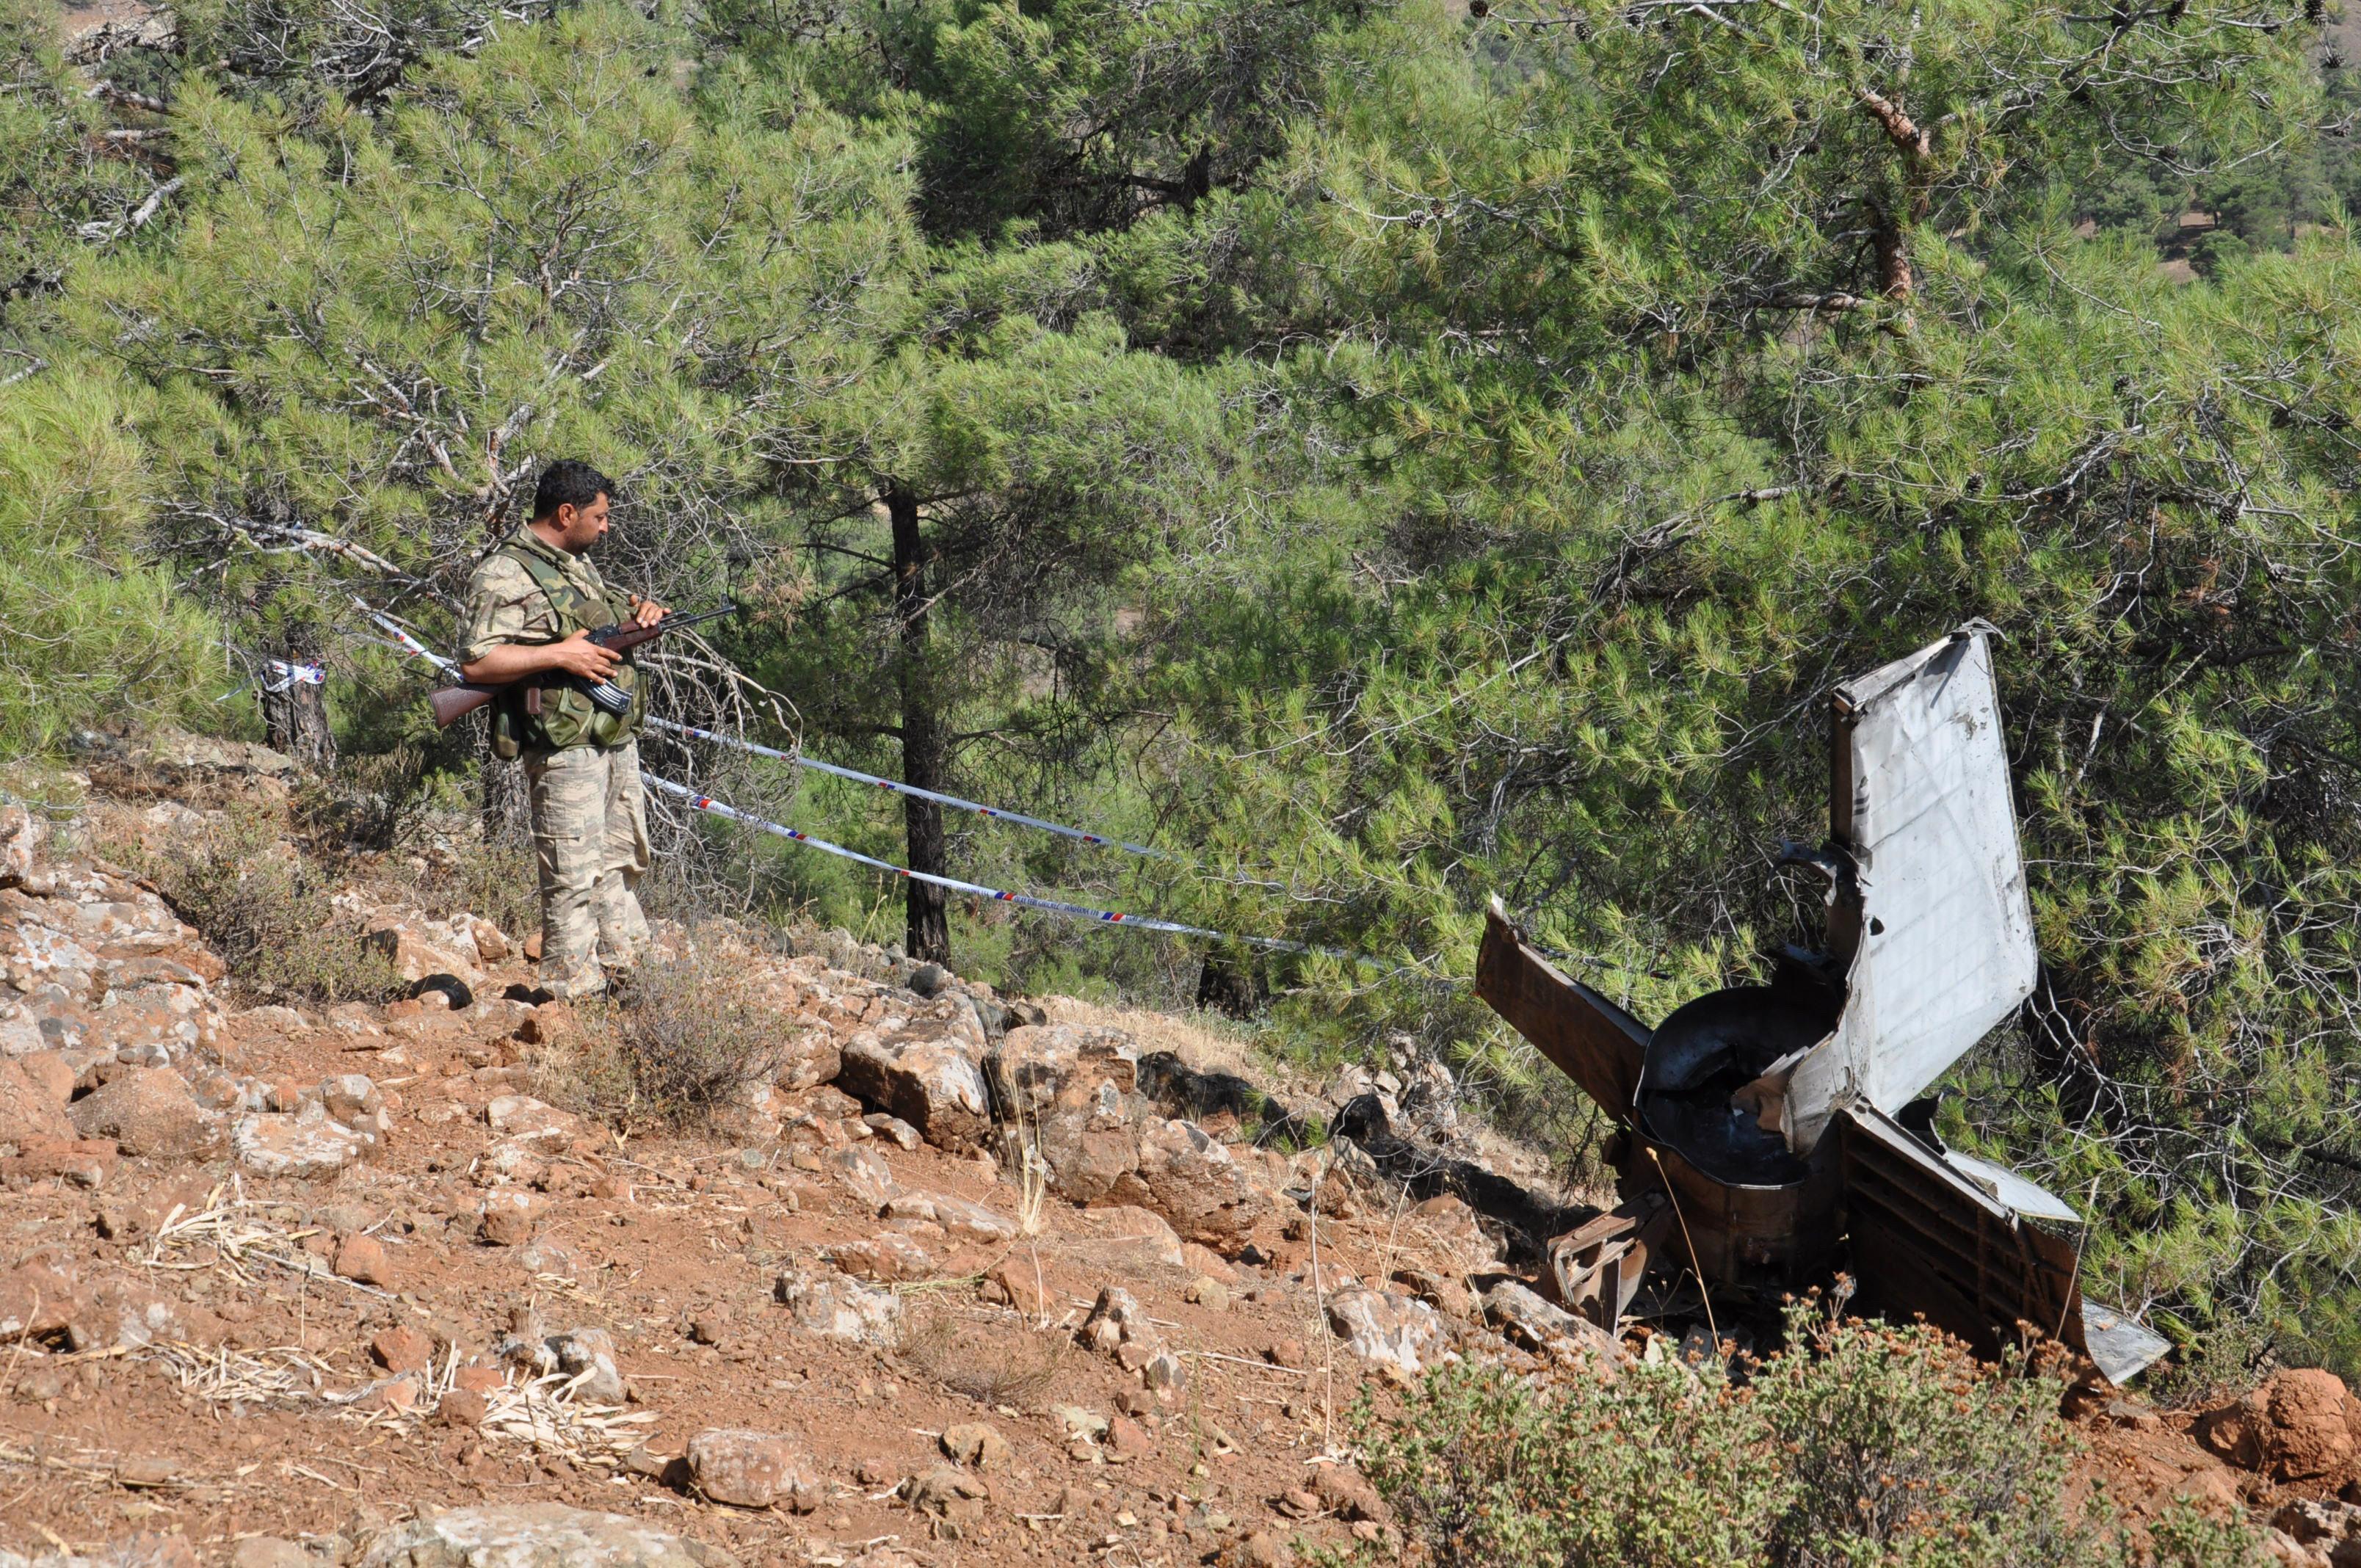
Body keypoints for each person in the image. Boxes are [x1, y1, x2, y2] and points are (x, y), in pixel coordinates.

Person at [460, 461, 667, 999]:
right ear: (566, 513)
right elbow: (475, 666)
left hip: (608, 736)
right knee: (572, 874)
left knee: (622, 855)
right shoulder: (503, 572)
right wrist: (562, 656)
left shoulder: (573, 564)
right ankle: (571, 995)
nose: (606, 528)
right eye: (599, 517)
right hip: (562, 747)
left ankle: (627, 971)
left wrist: (637, 615)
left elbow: (589, 624)